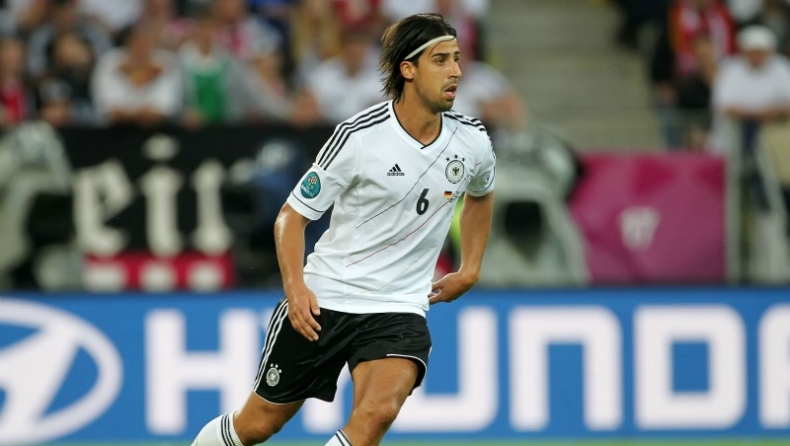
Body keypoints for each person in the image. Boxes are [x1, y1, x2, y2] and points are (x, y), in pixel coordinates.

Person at [189, 12, 496, 446]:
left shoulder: (472, 141)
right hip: (326, 298)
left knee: (377, 413)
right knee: (258, 424)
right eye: (441, 60)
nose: (457, 72)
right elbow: (291, 216)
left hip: (399, 306)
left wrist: (471, 267)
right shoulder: (359, 137)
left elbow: (481, 194)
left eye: (458, 59)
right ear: (408, 69)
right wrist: (296, 289)